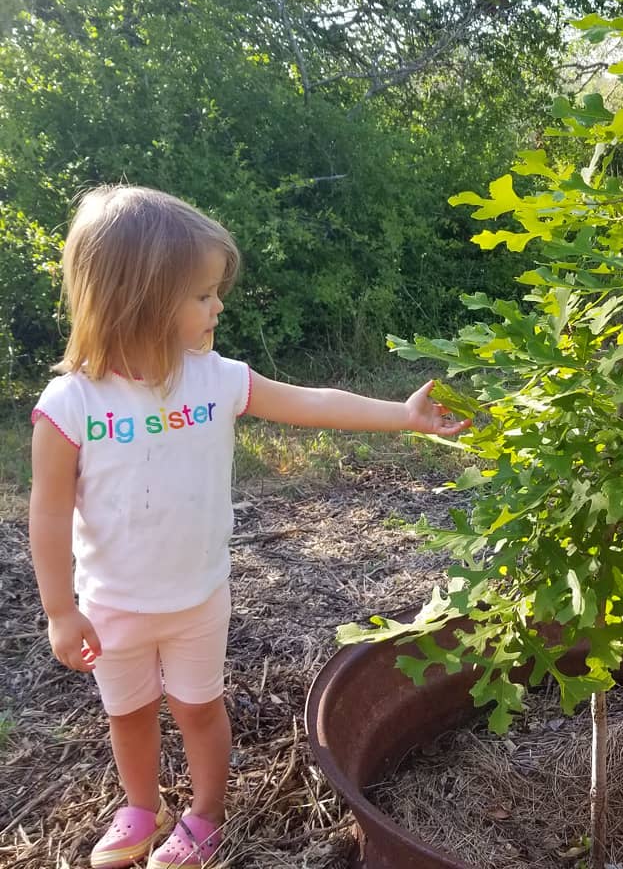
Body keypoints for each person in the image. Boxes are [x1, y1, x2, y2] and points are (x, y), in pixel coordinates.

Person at [28, 185, 469, 869]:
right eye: (203, 294)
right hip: (111, 605)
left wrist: (401, 415)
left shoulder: (216, 380)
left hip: (197, 598)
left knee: (199, 709)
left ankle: (204, 816)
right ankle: (140, 808)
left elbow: (312, 403)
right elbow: (49, 513)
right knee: (129, 714)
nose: (218, 305)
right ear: (141, 298)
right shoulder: (70, 404)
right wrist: (60, 610)